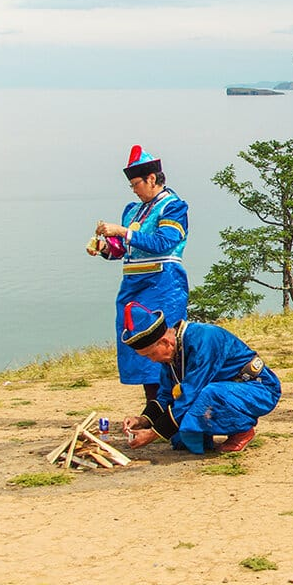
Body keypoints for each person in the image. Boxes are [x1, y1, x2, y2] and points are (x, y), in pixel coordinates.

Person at [89, 145, 189, 403]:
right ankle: (152, 403)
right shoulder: (132, 210)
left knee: (163, 342)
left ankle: (171, 402)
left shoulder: (173, 206)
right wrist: (104, 247)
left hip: (163, 284)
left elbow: (163, 242)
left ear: (152, 179)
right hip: (133, 285)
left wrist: (122, 232)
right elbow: (123, 250)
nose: (134, 189)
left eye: (136, 184)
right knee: (138, 343)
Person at [120, 302, 281, 454]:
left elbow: (191, 392)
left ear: (165, 342)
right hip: (223, 390)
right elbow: (166, 395)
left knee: (210, 394)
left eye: (151, 354)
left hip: (257, 388)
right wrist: (142, 420)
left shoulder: (204, 338)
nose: (152, 360)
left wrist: (153, 434)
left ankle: (242, 431)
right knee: (181, 440)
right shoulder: (170, 355)